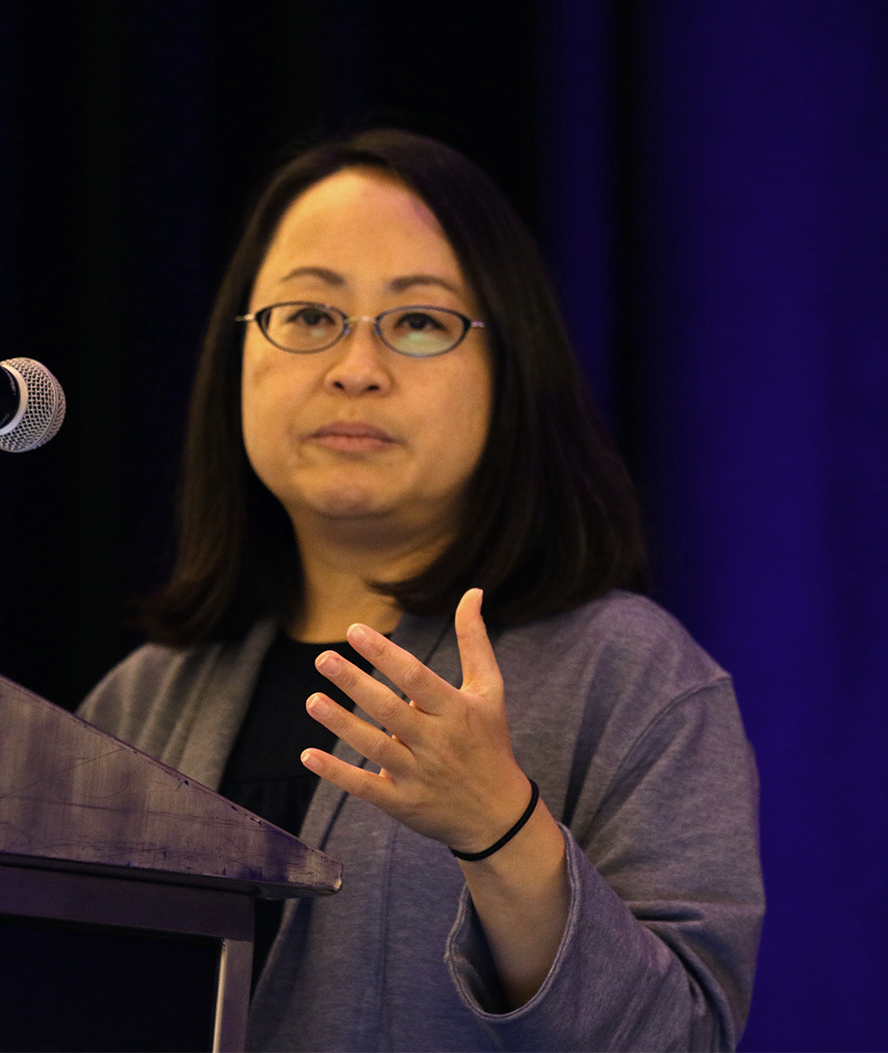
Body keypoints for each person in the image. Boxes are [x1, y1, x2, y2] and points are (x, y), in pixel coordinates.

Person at [78, 130, 763, 1052]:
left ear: (509, 371)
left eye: (419, 322)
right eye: (310, 315)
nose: (354, 366)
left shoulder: (631, 676)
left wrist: (502, 830)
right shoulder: (141, 698)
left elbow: (682, 1042)